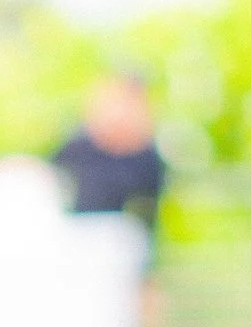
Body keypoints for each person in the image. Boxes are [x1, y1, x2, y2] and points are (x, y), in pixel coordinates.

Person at [50, 72, 168, 238]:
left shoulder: (148, 159)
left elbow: (148, 214)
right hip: (73, 231)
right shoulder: (79, 145)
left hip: (117, 237)